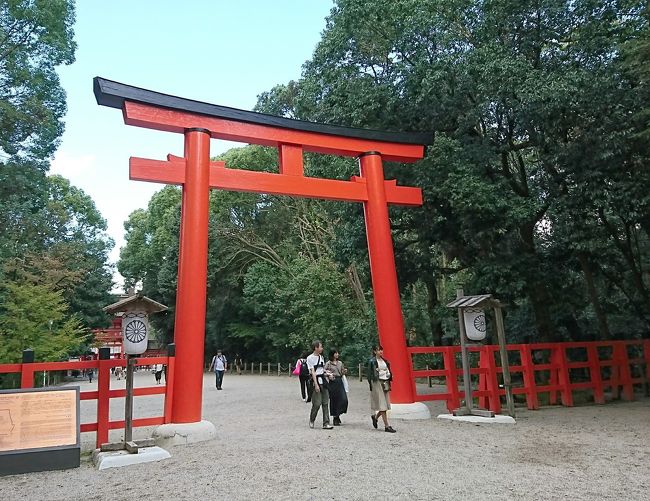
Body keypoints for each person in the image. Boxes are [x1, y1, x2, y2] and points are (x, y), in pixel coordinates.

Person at [367, 345, 396, 433]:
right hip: (377, 382)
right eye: (379, 350)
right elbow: (369, 374)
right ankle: (387, 426)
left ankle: (375, 417)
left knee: (386, 404)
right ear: (375, 351)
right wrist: (371, 385)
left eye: (381, 350)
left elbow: (388, 370)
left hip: (385, 382)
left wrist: (389, 375)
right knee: (382, 404)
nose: (381, 352)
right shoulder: (372, 361)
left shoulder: (385, 361)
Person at [307, 340, 334, 429]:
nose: (322, 348)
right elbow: (313, 372)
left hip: (323, 380)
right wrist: (316, 384)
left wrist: (327, 374)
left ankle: (326, 423)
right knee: (317, 403)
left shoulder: (321, 357)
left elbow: (321, 370)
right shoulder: (310, 358)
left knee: (325, 402)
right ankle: (312, 419)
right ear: (316, 348)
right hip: (316, 381)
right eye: (321, 347)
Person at [325, 349, 348, 425]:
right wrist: (329, 375)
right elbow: (324, 371)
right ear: (332, 354)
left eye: (337, 353)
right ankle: (335, 417)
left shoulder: (340, 363)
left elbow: (341, 372)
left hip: (339, 381)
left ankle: (339, 413)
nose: (337, 354)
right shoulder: (328, 363)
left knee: (343, 399)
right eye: (336, 353)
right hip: (332, 382)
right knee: (334, 400)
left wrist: (344, 371)